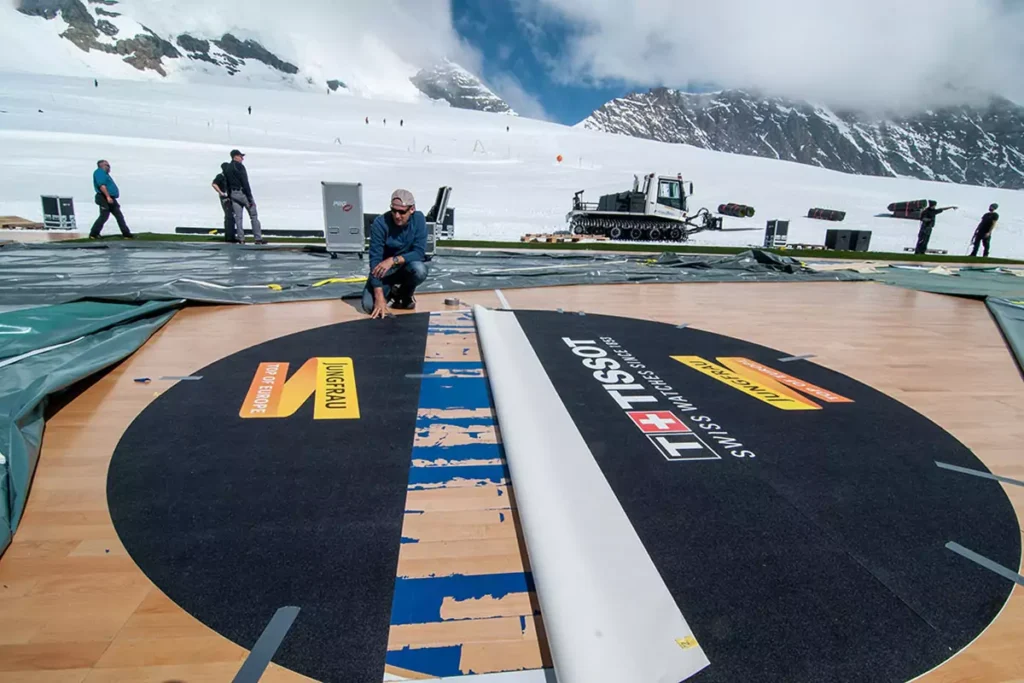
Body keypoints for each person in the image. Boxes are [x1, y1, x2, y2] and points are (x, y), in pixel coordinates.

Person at [363, 189, 428, 318]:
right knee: (370, 306)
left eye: (402, 212)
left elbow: (419, 253)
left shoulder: (419, 219)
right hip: (384, 272)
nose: (397, 215)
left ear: (412, 209)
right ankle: (391, 290)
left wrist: (393, 260)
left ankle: (404, 293)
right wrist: (378, 295)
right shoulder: (380, 224)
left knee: (420, 270)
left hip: (406, 267)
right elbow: (375, 260)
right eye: (394, 210)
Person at [223, 149, 265, 245]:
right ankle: (258, 238)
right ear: (235, 156)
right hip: (242, 193)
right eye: (240, 156)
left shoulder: (228, 167)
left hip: (233, 194)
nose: (242, 158)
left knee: (238, 218)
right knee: (253, 215)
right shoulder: (239, 166)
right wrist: (250, 197)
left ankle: (241, 239)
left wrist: (230, 195)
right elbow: (245, 182)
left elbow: (227, 183)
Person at [89, 159, 133, 239]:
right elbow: (102, 185)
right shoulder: (99, 172)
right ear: (102, 166)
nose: (109, 167)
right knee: (104, 215)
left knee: (119, 215)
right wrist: (108, 196)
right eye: (107, 165)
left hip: (110, 197)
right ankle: (94, 234)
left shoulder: (105, 174)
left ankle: (126, 234)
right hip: (104, 197)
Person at [212, 163, 237, 243]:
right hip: (225, 198)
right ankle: (229, 237)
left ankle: (231, 235)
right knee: (229, 216)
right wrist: (221, 192)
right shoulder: (220, 176)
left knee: (231, 216)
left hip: (230, 198)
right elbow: (214, 184)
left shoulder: (229, 176)